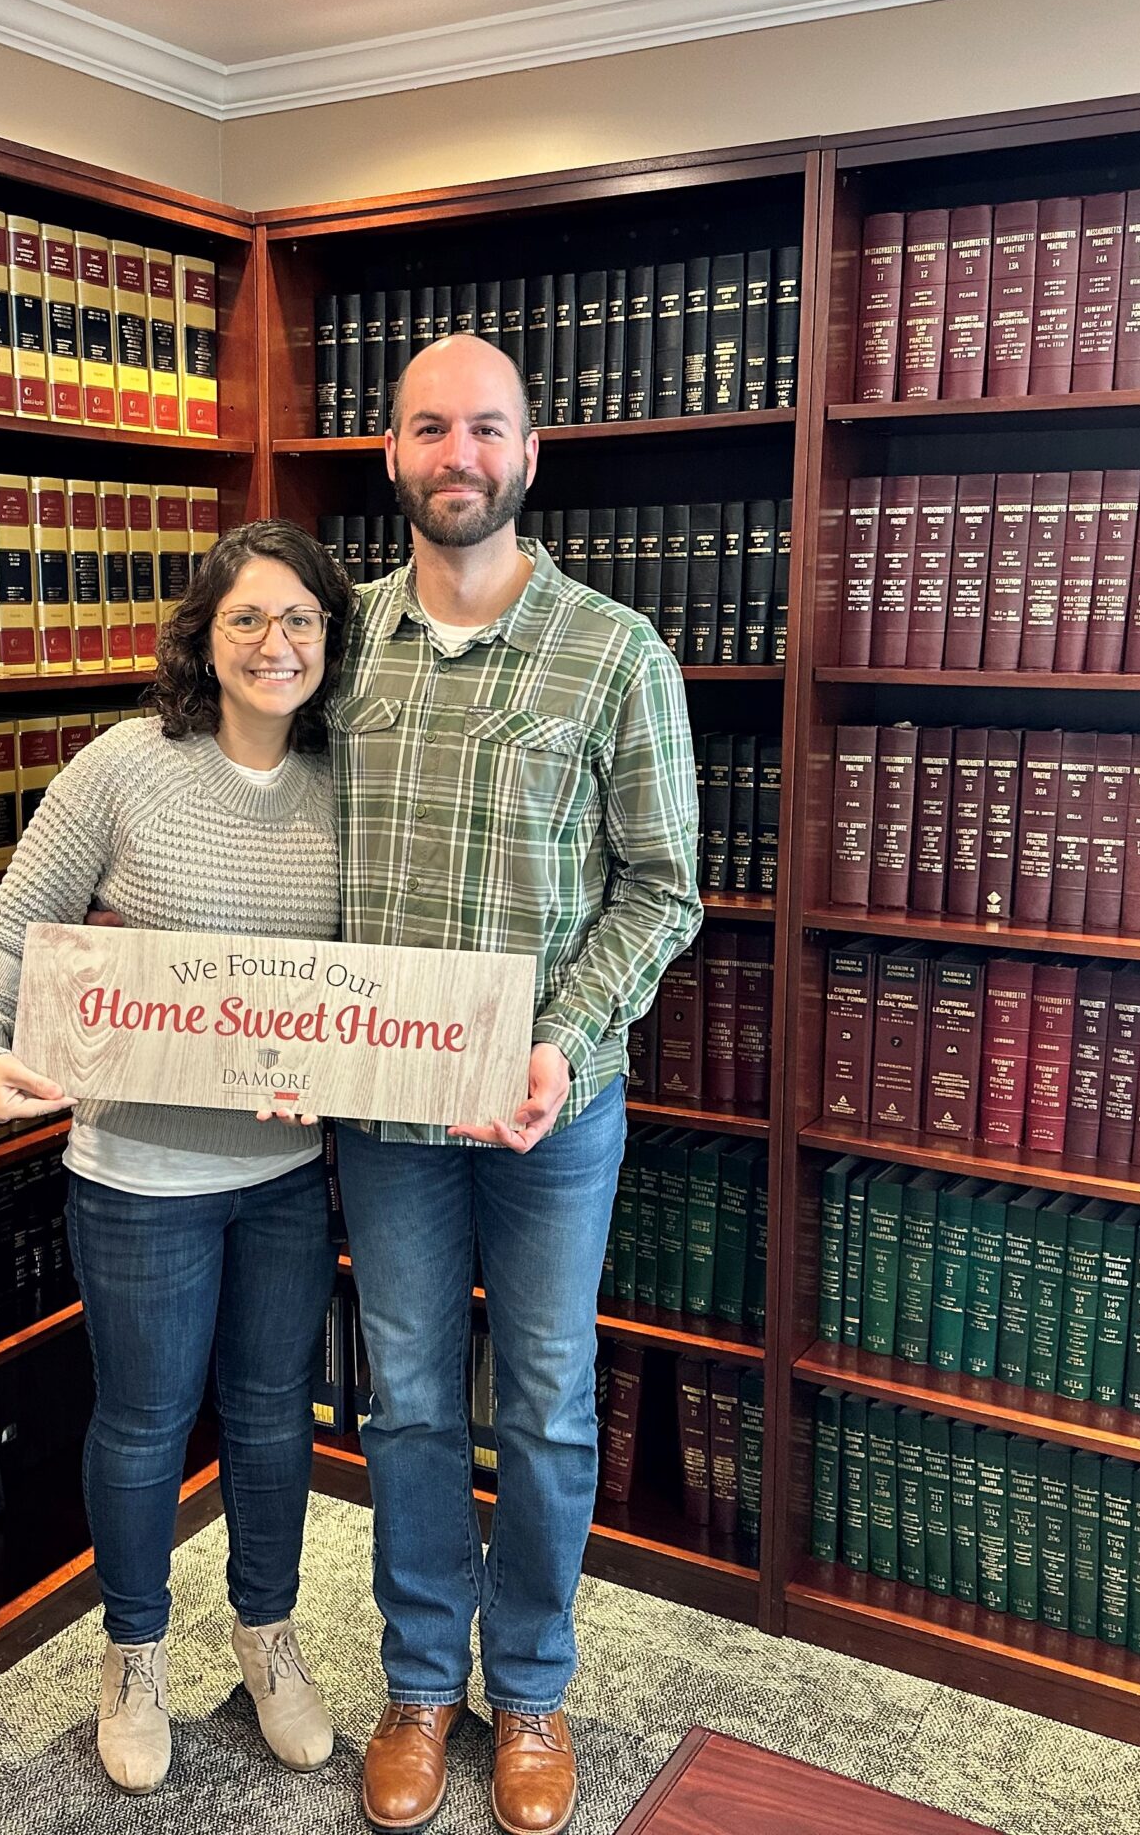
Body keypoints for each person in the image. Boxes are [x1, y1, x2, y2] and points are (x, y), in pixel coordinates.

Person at [331, 333, 701, 1835]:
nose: (458, 455)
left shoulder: (615, 652)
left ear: (530, 454)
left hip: (554, 1107)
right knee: (411, 1400)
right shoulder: (336, 642)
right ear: (392, 453)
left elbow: (663, 888)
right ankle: (422, 1683)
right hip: (385, 1114)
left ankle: (533, 1688)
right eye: (430, 428)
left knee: (546, 1406)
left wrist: (566, 1037)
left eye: (487, 428)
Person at [0, 518, 354, 1796]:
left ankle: (267, 1637)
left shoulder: (347, 778)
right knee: (143, 1422)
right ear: (203, 637)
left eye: (299, 620)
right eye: (247, 619)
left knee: (275, 1417)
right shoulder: (123, 769)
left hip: (284, 1176)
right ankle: (133, 1655)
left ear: (330, 639)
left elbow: (370, 986)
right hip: (137, 1180)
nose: (275, 644)